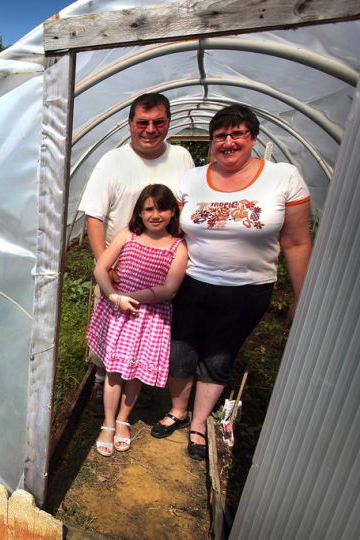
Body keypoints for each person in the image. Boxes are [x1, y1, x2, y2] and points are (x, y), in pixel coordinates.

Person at [150, 104, 312, 460]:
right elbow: (170, 231)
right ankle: (178, 411)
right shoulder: (192, 179)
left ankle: (199, 423)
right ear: (212, 142)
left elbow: (297, 241)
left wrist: (302, 297)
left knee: (219, 357)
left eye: (237, 133)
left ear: (252, 137)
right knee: (180, 351)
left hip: (249, 290)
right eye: (220, 135)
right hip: (192, 283)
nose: (228, 142)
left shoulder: (282, 177)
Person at [78, 93, 195, 413]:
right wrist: (105, 261)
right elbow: (94, 215)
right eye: (142, 122)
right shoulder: (113, 160)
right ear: (130, 124)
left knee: (150, 330)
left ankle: (138, 384)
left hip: (163, 264)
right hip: (122, 265)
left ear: (168, 123)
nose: (150, 129)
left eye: (158, 122)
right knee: (112, 327)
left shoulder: (181, 157)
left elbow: (186, 207)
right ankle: (103, 383)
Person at [88, 184, 188, 456]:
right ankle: (108, 423)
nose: (155, 215)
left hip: (151, 318)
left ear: (172, 212)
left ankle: (123, 419)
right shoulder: (128, 235)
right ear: (140, 213)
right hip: (120, 313)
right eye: (149, 209)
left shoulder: (178, 247)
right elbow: (101, 268)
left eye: (162, 208)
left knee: (135, 373)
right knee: (114, 371)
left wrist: (130, 296)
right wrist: (113, 297)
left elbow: (170, 289)